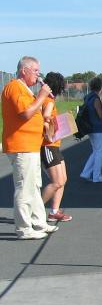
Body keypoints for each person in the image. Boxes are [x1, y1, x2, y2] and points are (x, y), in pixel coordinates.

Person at [1, 56, 57, 239]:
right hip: (21, 146)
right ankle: (24, 228)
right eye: (35, 71)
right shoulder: (15, 87)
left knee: (34, 186)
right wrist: (41, 96)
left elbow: (35, 111)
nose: (38, 75)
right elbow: (25, 113)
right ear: (23, 70)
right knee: (25, 187)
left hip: (31, 145)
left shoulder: (26, 90)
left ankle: (39, 222)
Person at [41, 72, 73, 223]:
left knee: (63, 179)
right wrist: (48, 135)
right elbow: (46, 119)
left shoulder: (48, 99)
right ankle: (35, 211)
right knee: (56, 182)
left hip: (54, 146)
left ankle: (54, 211)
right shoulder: (48, 101)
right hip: (48, 146)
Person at [80, 77, 102, 183]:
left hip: (89, 127)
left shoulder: (87, 97)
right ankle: (97, 177)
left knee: (95, 151)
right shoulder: (96, 99)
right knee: (99, 152)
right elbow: (100, 114)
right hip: (97, 128)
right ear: (100, 87)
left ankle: (85, 173)